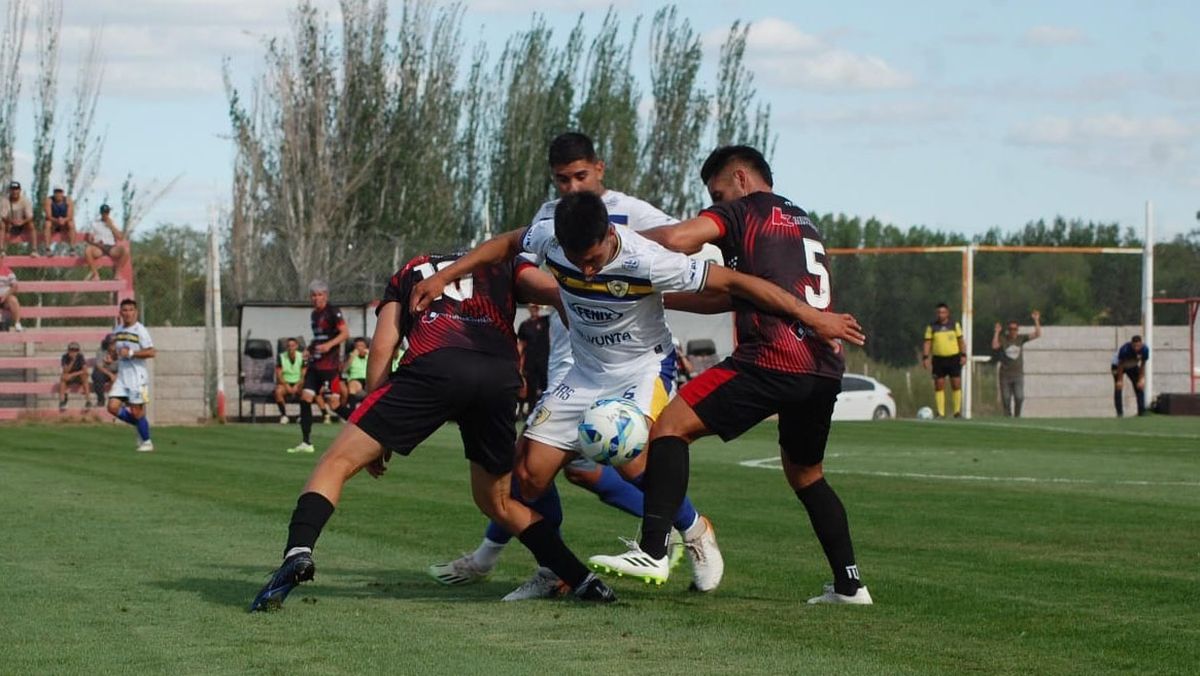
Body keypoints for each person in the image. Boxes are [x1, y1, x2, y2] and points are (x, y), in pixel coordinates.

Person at [416, 189, 862, 600]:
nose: (586, 271)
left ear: (610, 233)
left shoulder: (649, 259)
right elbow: (507, 243)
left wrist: (812, 316)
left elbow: (735, 283)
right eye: (578, 261)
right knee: (529, 476)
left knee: (631, 459)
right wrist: (446, 277)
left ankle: (694, 532)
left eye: (593, 260)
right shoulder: (551, 237)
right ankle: (552, 569)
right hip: (586, 371)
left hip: (643, 369)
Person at [426, 132, 712, 599]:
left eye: (581, 176)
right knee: (541, 469)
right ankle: (549, 566)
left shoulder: (632, 212)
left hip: (629, 360)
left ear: (600, 168)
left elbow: (682, 248)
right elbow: (519, 258)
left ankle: (688, 530)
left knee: (618, 456)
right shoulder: (548, 218)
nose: (572, 188)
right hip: (570, 362)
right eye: (562, 179)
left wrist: (630, 266)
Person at [249, 252, 617, 612]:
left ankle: (298, 552)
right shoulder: (500, 262)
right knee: (499, 502)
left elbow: (382, 347)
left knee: (336, 461)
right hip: (498, 376)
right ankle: (583, 579)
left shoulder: (410, 269)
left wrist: (379, 433)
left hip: (437, 365)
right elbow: (555, 290)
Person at [587, 145, 872, 605]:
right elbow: (737, 296)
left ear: (740, 180)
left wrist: (611, 244)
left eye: (717, 194)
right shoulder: (801, 222)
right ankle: (850, 585)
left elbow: (680, 239)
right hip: (822, 365)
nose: (716, 204)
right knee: (807, 475)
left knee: (669, 428)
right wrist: (656, 296)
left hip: (775, 356)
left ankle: (654, 549)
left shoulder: (744, 210)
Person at [287, 280, 350, 454]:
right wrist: (309, 348)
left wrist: (329, 345)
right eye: (313, 295)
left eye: (320, 295)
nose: (316, 298)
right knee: (305, 398)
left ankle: (363, 429)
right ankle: (306, 442)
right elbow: (318, 337)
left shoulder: (333, 312)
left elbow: (345, 334)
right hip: (315, 365)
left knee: (334, 404)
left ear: (326, 296)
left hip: (329, 366)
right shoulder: (314, 315)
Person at [107, 298, 156, 452]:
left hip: (137, 376)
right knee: (112, 407)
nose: (128, 313)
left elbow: (152, 352)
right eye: (125, 310)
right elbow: (116, 352)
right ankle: (140, 426)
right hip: (122, 376)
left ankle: (147, 441)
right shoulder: (118, 330)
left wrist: (132, 353)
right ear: (120, 313)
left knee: (137, 411)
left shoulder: (140, 330)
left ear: (136, 312)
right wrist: (111, 357)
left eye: (131, 310)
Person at [991, 310, 1041, 417]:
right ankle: (1008, 417)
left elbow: (1038, 334)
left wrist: (1036, 320)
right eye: (1011, 329)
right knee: (1006, 399)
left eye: (1015, 329)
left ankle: (1017, 415)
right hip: (1005, 374)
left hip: (1017, 374)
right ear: (1008, 330)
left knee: (1019, 397)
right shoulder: (1003, 339)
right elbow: (994, 346)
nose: (1013, 331)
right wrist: (996, 332)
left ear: (1018, 330)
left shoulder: (1021, 338)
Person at [922, 302, 966, 418]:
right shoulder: (932, 327)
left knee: (956, 384)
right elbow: (927, 342)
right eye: (939, 312)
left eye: (943, 312)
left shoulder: (954, 325)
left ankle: (957, 412)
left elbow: (961, 341)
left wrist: (963, 355)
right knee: (939, 384)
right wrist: (925, 357)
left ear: (947, 313)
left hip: (953, 358)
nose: (941, 315)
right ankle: (940, 413)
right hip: (938, 359)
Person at [516, 304, 550, 417]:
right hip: (530, 361)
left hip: (544, 360)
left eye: (536, 307)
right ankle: (530, 412)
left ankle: (544, 412)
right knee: (530, 388)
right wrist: (518, 362)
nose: (534, 309)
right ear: (529, 309)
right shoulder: (525, 325)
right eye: (532, 307)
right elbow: (521, 344)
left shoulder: (546, 321)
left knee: (545, 387)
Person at [81, 204, 128, 281]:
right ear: (101, 213)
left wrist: (111, 226)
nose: (105, 214)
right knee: (87, 251)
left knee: (125, 251)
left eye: (107, 212)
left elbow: (120, 237)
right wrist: (94, 242)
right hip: (99, 247)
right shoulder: (95, 223)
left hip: (111, 247)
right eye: (103, 212)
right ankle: (95, 275)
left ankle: (117, 274)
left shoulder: (113, 222)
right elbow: (89, 238)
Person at [1112, 335, 1149, 417]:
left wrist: (1141, 379)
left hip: (1132, 365)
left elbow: (1142, 365)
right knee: (1118, 387)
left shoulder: (1145, 350)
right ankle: (1120, 413)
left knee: (1139, 386)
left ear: (1141, 344)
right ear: (1131, 344)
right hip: (1117, 365)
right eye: (1134, 346)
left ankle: (1141, 412)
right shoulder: (1125, 349)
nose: (1136, 348)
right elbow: (1120, 365)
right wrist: (1120, 380)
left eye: (1138, 346)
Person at [274, 337, 305, 424]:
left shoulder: (302, 356)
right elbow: (279, 374)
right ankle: (284, 415)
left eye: (292, 346)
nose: (290, 348)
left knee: (306, 392)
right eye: (288, 346)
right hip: (285, 382)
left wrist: (297, 385)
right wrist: (286, 385)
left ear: (296, 346)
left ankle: (302, 416)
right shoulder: (281, 357)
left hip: (298, 383)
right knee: (278, 392)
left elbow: (304, 374)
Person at [1, 181, 37, 256]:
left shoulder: (25, 200)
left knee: (31, 225)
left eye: (16, 189)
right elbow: (3, 216)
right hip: (10, 224)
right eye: (13, 189)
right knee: (1, 224)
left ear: (20, 190)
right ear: (10, 190)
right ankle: (2, 250)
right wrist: (11, 222)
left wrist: (22, 222)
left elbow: (30, 216)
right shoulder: (5, 200)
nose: (15, 191)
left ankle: (34, 250)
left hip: (22, 224)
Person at [43, 186, 76, 255]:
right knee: (47, 224)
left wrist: (64, 220)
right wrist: (57, 220)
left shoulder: (68, 200)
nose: (58, 194)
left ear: (63, 193)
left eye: (60, 192)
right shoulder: (49, 200)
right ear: (53, 193)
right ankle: (48, 249)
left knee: (71, 224)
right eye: (56, 192)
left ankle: (72, 248)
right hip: (54, 223)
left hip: (64, 223)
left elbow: (70, 216)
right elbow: (48, 216)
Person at [59, 341, 90, 411]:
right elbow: (65, 370)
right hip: (69, 377)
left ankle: (88, 401)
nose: (74, 352)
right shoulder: (65, 357)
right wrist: (72, 361)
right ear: (68, 350)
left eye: (76, 350)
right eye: (72, 350)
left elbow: (85, 370)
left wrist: (72, 374)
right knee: (63, 377)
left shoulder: (80, 356)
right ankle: (62, 401)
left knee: (84, 376)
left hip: (78, 376)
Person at [91, 335, 117, 408]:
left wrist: (116, 375)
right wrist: (110, 375)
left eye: (115, 342)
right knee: (97, 375)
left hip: (117, 371)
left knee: (126, 375)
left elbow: (123, 367)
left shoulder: (121, 350)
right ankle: (101, 399)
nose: (114, 344)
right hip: (105, 372)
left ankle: (124, 401)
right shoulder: (101, 350)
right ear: (107, 344)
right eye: (111, 343)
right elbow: (99, 366)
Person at [0, 260, 23, 331]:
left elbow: (15, 286)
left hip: (5, 298)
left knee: (13, 300)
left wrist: (5, 295)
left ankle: (17, 324)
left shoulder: (8, 271)